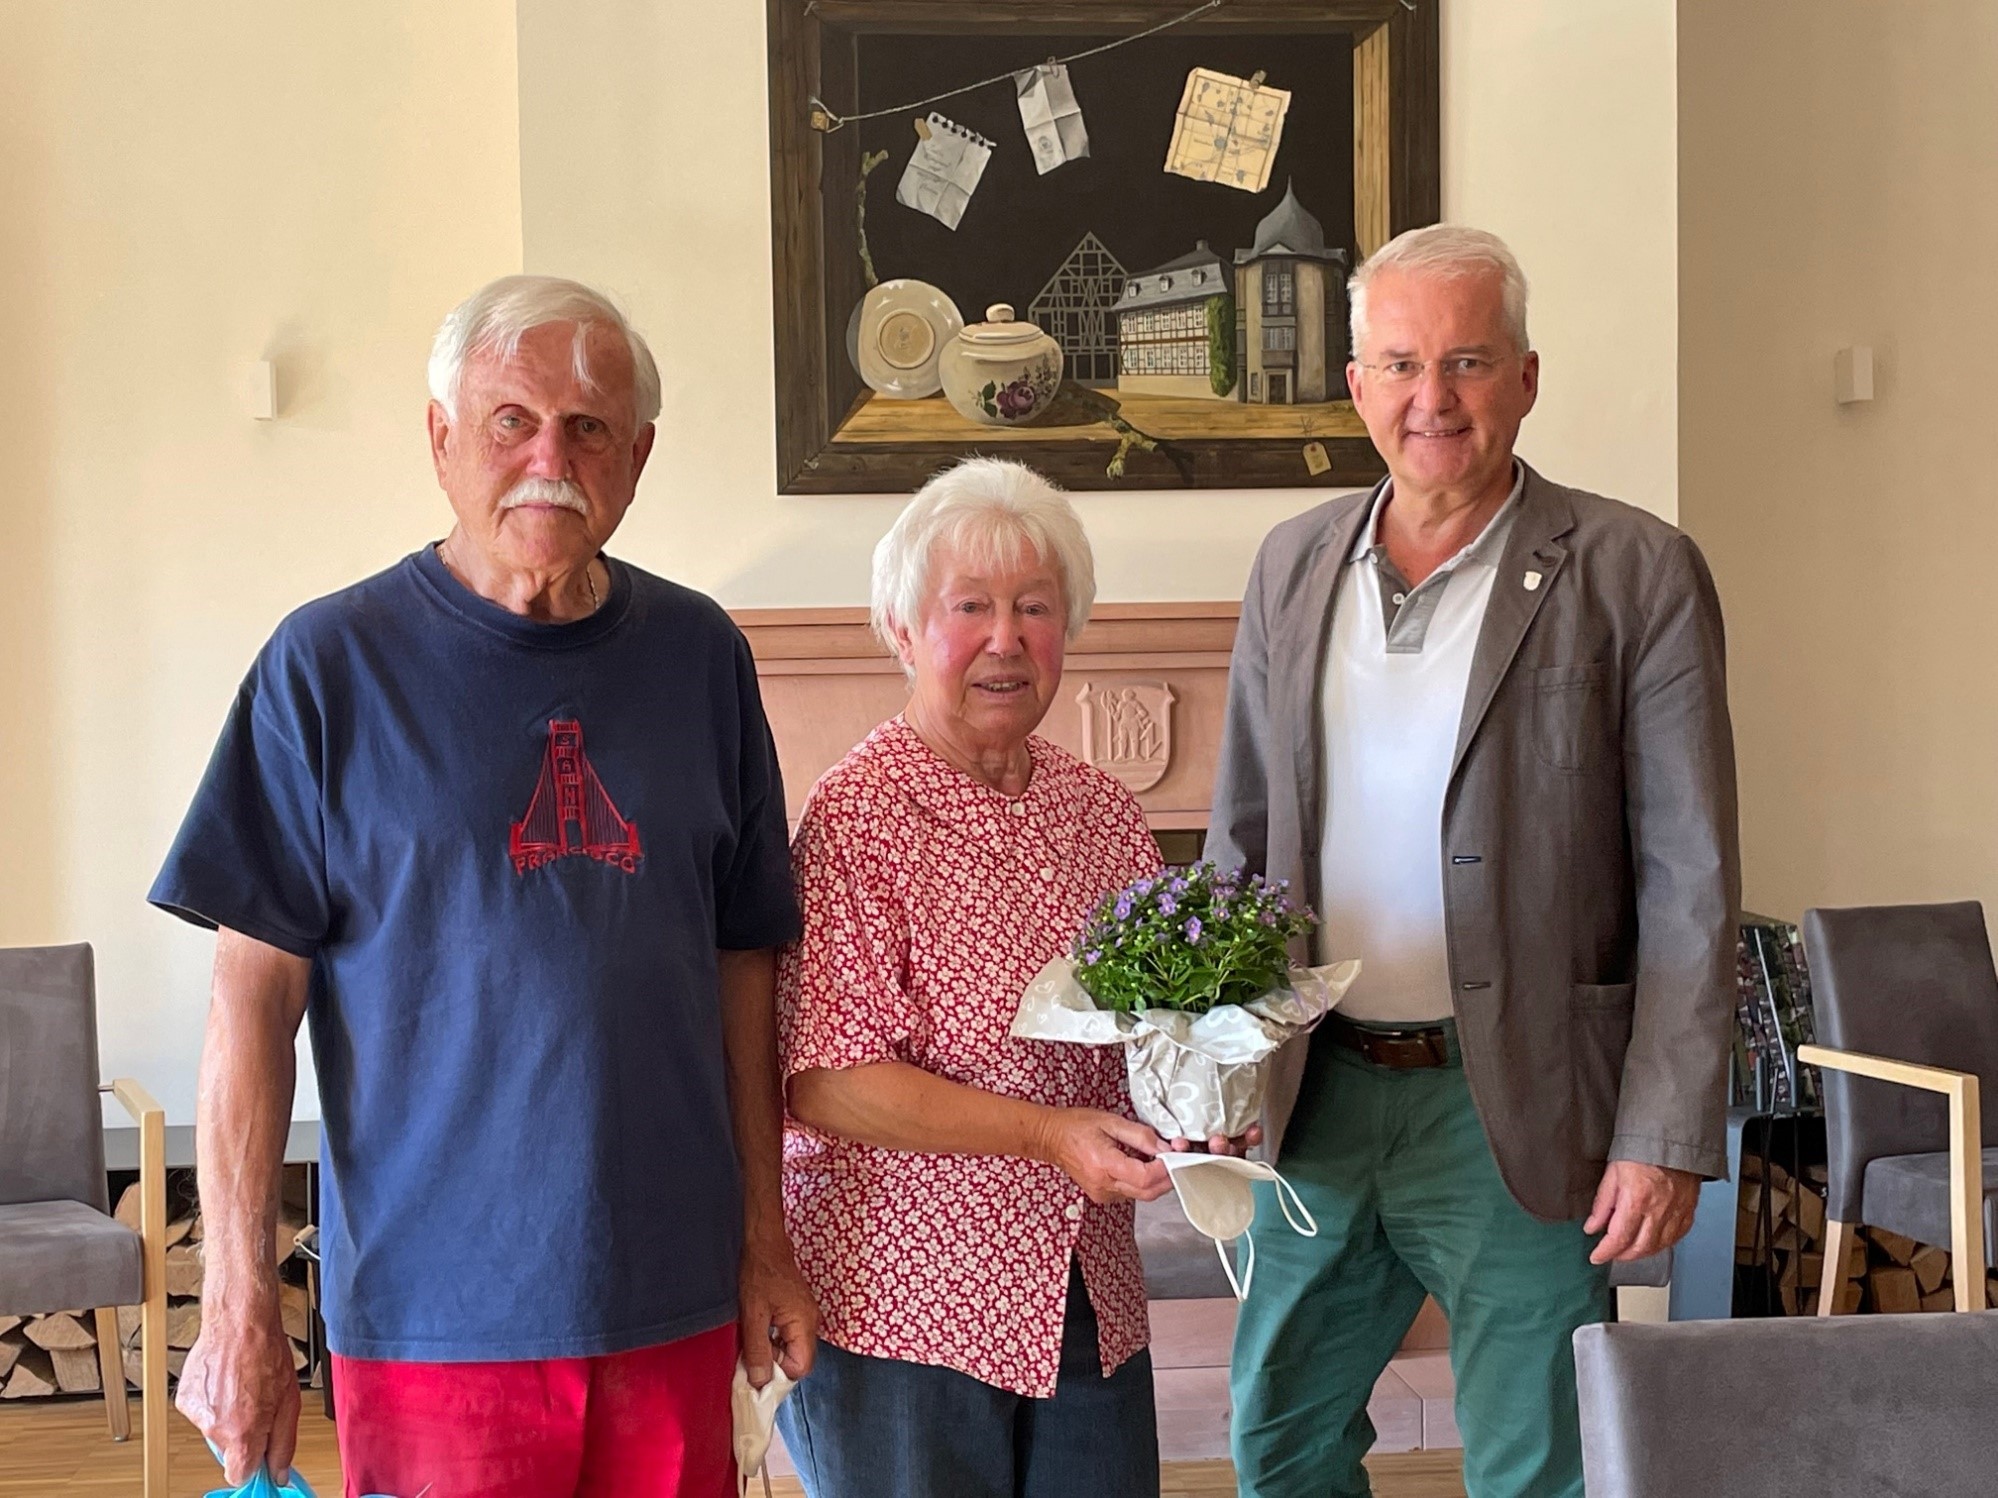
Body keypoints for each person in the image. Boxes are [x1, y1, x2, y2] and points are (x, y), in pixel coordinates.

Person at [150, 275, 817, 1498]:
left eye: (589, 426)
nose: (548, 456)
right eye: (511, 418)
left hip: (668, 1296)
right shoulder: (325, 668)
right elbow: (249, 1009)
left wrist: (765, 1239)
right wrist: (238, 1298)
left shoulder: (702, 657)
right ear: (441, 437)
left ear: (640, 457)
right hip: (433, 1314)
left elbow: (744, 968)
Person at [1208, 226, 1739, 1498]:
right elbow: (1240, 838)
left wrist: (1662, 1129)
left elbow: (1692, 878)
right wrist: (1216, 1060)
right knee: (1277, 1444)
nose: (1430, 399)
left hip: (1516, 1100)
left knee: (1535, 1465)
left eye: (1467, 362)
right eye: (1399, 364)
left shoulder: (1636, 571)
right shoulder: (1291, 564)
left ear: (1527, 378)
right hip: (1318, 1093)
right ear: (1355, 386)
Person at [774, 458, 1239, 1497]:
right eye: (970, 608)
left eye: (1035, 608)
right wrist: (1046, 1134)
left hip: (1087, 1288)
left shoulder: (1103, 811)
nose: (1006, 638)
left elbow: (1153, 1031)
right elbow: (825, 1079)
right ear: (902, 628)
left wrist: (1210, 1113)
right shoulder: (858, 816)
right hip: (904, 1303)